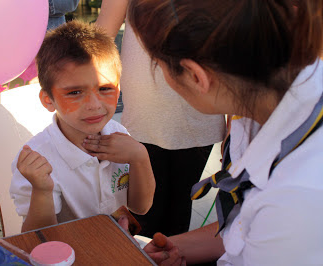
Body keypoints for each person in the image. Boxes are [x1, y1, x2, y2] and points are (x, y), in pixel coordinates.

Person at [127, 0, 323, 265]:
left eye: (157, 65)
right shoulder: (263, 107)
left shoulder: (296, 198)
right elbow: (245, 225)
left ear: (196, 76)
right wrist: (177, 247)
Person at [9, 20, 155, 233]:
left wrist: (140, 157)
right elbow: (38, 241)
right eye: (75, 92)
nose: (95, 105)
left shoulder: (120, 135)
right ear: (48, 100)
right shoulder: (37, 161)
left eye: (105, 88)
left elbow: (141, 207)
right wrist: (42, 190)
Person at [95, 0, 226, 238]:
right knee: (140, 212)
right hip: (143, 115)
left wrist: (235, 125)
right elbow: (100, 38)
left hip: (201, 114)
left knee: (178, 211)